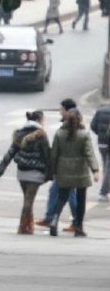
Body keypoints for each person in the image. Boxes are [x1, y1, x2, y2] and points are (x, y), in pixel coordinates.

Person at [0, 111, 51, 234]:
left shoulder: (19, 133)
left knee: (28, 198)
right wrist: (51, 172)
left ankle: (29, 225)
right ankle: (22, 226)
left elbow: (10, 152)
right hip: (36, 173)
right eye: (43, 120)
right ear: (39, 120)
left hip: (22, 172)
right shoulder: (41, 135)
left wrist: (1, 168)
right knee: (28, 200)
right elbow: (47, 155)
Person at [49, 108, 100, 237]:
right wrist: (95, 170)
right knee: (81, 199)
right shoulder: (84, 134)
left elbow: (54, 155)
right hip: (80, 171)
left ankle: (54, 219)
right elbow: (89, 154)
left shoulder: (60, 133)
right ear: (80, 119)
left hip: (63, 170)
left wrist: (53, 171)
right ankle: (78, 227)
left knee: (62, 197)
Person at [35, 98, 79, 230]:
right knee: (55, 190)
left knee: (70, 193)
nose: (60, 112)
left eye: (62, 109)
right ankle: (49, 218)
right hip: (65, 166)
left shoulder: (72, 127)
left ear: (67, 111)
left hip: (67, 167)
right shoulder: (70, 125)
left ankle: (76, 221)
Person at [90, 102, 110, 201]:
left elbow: (93, 126)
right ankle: (104, 192)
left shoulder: (100, 111)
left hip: (101, 142)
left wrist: (100, 134)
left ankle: (106, 189)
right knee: (108, 167)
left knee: (106, 166)